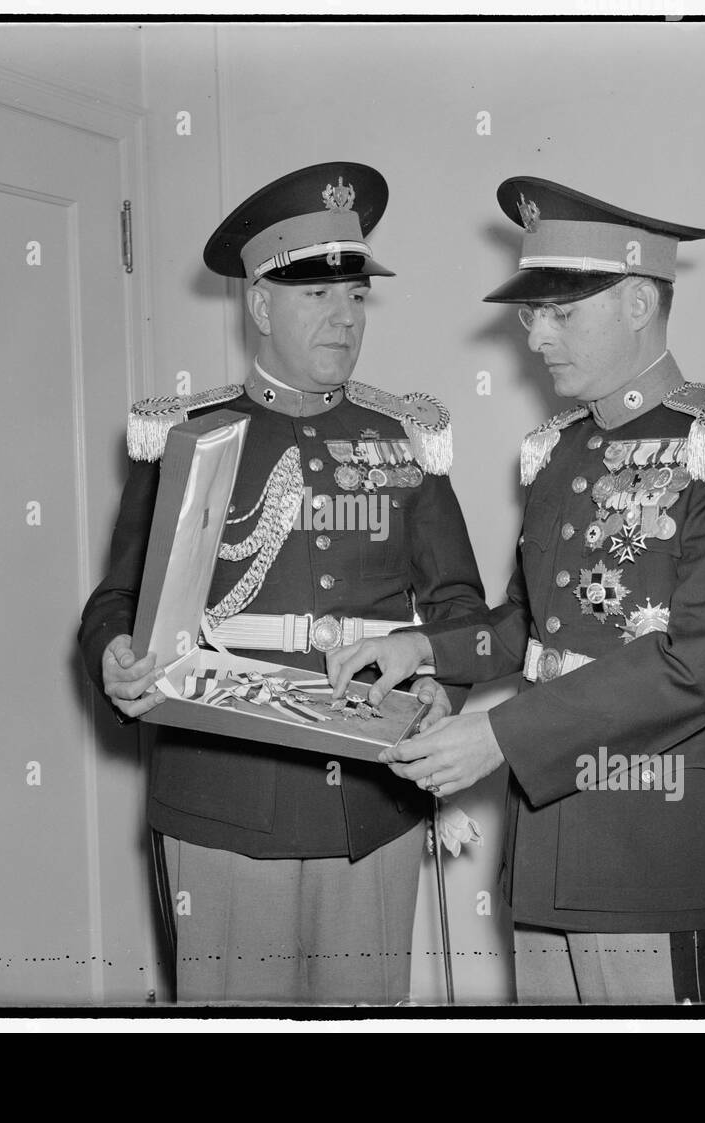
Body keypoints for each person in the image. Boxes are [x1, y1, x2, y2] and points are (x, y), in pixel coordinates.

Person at [329, 176, 705, 1004]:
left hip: (648, 841)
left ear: (636, 303)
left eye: (562, 312)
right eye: (529, 314)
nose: (537, 336)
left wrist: (501, 736)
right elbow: (529, 627)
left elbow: (698, 666)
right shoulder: (558, 451)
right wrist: (422, 646)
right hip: (545, 844)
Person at [78, 162, 487, 1004]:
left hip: (371, 797)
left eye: (358, 297)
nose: (345, 318)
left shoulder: (403, 439)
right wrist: (115, 655)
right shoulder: (187, 437)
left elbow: (459, 610)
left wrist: (441, 681)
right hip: (224, 793)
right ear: (260, 303)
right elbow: (117, 601)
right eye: (317, 296)